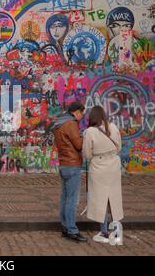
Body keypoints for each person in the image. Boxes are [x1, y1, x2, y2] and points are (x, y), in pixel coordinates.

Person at [82, 105, 124, 245]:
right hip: (113, 165)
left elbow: (87, 154)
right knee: (114, 197)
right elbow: (119, 147)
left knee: (100, 199)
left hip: (98, 166)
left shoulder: (89, 132)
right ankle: (116, 231)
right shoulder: (113, 127)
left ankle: (104, 231)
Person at [51, 102, 87, 242]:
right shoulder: (71, 124)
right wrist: (83, 136)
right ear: (76, 111)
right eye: (81, 113)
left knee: (65, 198)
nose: (82, 116)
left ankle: (65, 227)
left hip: (64, 164)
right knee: (72, 200)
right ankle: (72, 230)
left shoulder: (60, 123)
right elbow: (78, 145)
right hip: (72, 165)